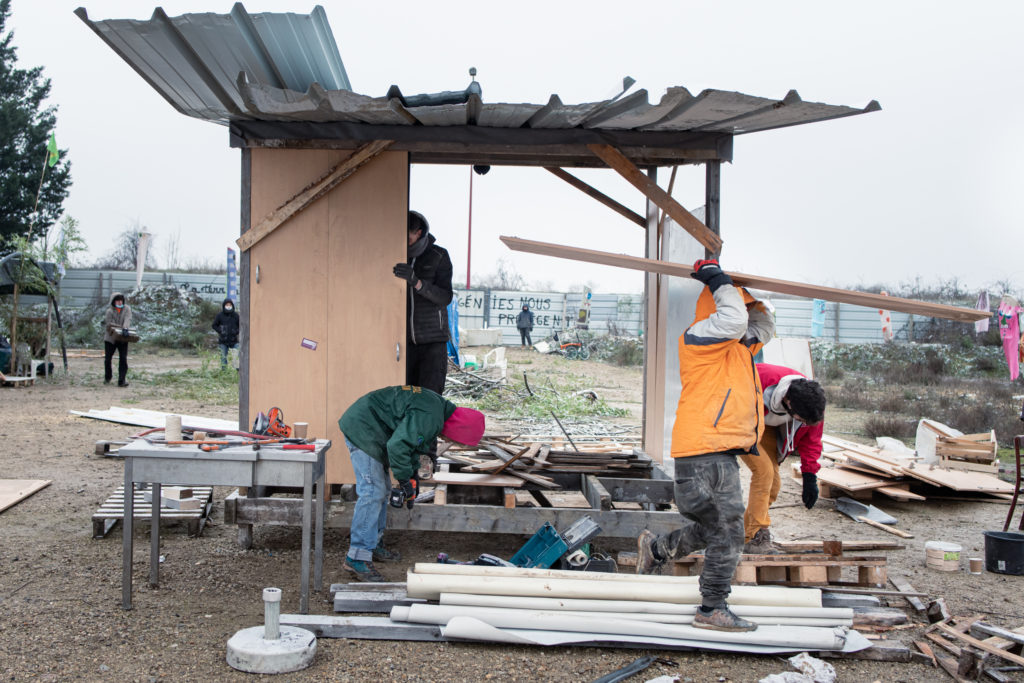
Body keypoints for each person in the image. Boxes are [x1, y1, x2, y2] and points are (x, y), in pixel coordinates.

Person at [636, 259, 774, 632]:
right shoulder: (701, 337)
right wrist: (718, 280)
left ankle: (658, 550)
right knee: (728, 530)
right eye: (736, 306)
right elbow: (732, 320)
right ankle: (711, 607)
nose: (742, 316)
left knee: (716, 526)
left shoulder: (735, 348)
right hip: (704, 451)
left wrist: (752, 300)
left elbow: (763, 325)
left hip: (713, 449)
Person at [338, 385, 485, 582]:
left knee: (382, 491)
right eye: (457, 442)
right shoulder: (431, 416)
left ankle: (373, 544)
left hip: (373, 426)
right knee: (373, 491)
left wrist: (411, 478)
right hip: (363, 428)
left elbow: (413, 445)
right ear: (459, 430)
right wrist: (404, 479)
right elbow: (397, 445)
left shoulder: (437, 412)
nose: (451, 442)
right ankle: (357, 557)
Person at [742, 364, 826, 553]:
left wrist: (810, 476)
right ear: (788, 402)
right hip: (741, 420)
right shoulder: (759, 380)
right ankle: (756, 536)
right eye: (802, 420)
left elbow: (812, 441)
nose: (804, 423)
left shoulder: (813, 404)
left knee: (773, 484)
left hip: (768, 428)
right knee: (764, 472)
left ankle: (742, 535)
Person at [393, 211, 453, 396]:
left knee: (429, 398)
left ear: (418, 233)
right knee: (404, 397)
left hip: (433, 343)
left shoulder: (438, 255)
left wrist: (417, 282)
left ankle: (430, 426)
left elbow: (445, 297)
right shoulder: (395, 253)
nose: (404, 241)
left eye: (408, 236)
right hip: (404, 344)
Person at [102, 292, 132, 387]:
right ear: (113, 302)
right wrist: (120, 329)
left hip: (123, 337)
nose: (119, 302)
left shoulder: (127, 309)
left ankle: (121, 380)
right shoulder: (109, 311)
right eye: (117, 300)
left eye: (121, 300)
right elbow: (110, 324)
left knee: (123, 359)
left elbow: (128, 319)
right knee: (108, 359)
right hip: (110, 337)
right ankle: (108, 376)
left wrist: (125, 328)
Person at [212, 298, 240, 368]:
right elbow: (214, 325)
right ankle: (224, 372)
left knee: (236, 356)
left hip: (234, 340)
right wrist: (220, 330)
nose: (228, 306)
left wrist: (236, 331)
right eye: (227, 305)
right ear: (224, 305)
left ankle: (237, 370)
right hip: (223, 340)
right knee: (223, 357)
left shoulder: (236, 315)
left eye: (230, 305)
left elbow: (241, 325)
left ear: (232, 305)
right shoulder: (220, 315)